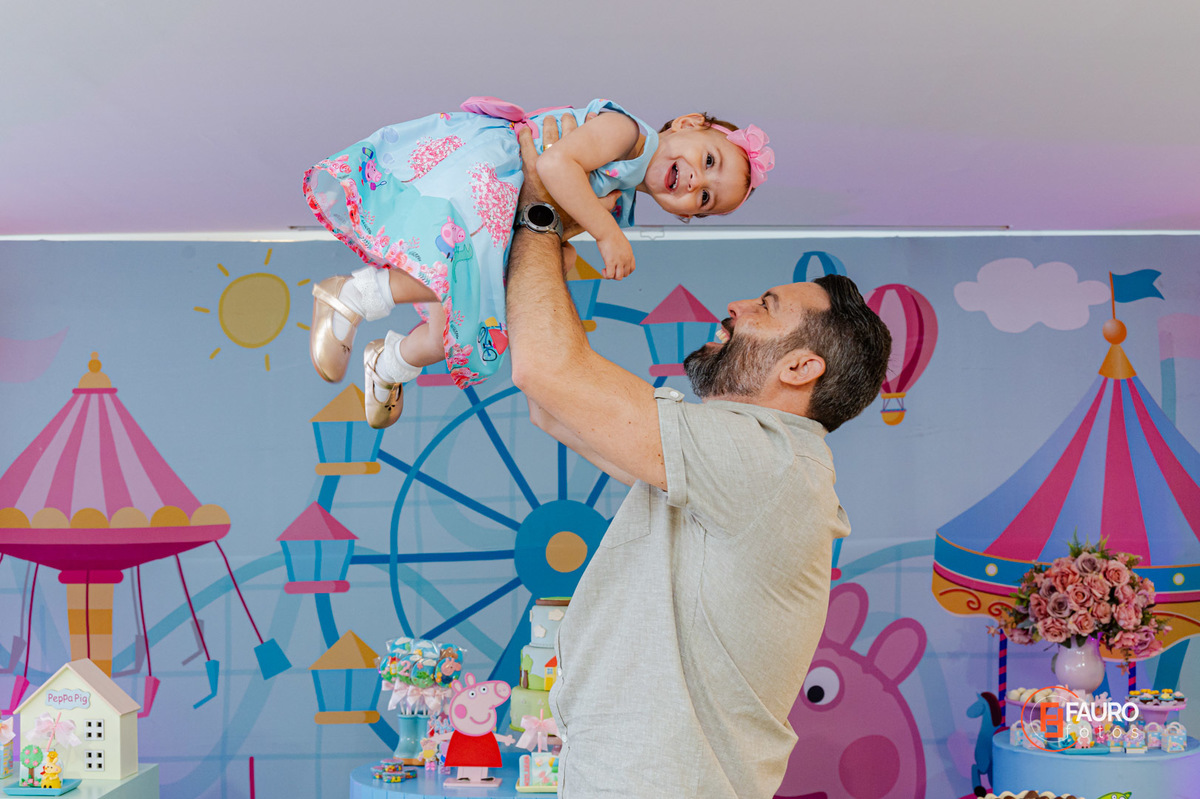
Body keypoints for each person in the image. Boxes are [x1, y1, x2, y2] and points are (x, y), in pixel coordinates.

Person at [504, 116, 892, 798]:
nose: (736, 306)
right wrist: (558, 241)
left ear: (801, 366)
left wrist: (537, 210)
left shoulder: (767, 460)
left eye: (766, 306)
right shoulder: (741, 458)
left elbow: (546, 372)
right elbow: (551, 404)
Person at [304, 97, 774, 428]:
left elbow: (548, 225)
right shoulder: (629, 134)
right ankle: (352, 295)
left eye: (705, 198)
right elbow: (553, 166)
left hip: (509, 215)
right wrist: (607, 234)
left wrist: (562, 250)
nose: (695, 182)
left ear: (686, 215)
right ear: (687, 123)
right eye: (708, 160)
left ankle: (388, 364)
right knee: (466, 269)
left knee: (465, 321)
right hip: (493, 175)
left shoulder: (621, 194)